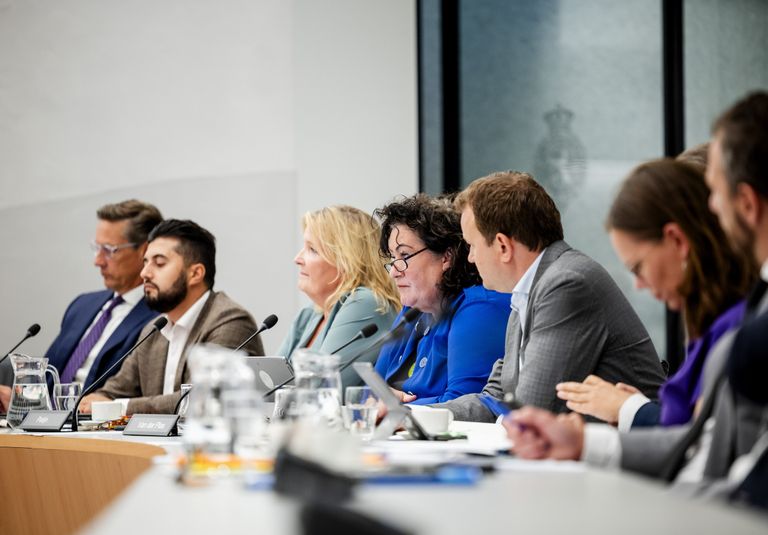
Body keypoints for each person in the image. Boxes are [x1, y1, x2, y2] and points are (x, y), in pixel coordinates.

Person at [506, 91, 768, 503]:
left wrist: (627, 413)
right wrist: (586, 444)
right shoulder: (737, 316)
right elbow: (701, 448)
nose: (640, 287)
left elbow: (720, 466)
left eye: (714, 197)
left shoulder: (743, 325)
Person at [432, 171, 665, 422]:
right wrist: (417, 415)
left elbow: (535, 410)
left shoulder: (566, 283)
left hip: (637, 450)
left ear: (502, 246)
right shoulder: (527, 291)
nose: (470, 258)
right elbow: (496, 398)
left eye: (472, 246)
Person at [556, 159, 755, 430]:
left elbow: (697, 440)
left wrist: (629, 409)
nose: (639, 285)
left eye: (638, 268)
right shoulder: (713, 320)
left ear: (676, 240)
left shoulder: (736, 326)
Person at [81, 219, 264, 414]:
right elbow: (113, 392)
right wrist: (98, 400)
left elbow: (202, 400)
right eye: (145, 262)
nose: (145, 273)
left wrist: (118, 407)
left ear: (195, 274)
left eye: (159, 263)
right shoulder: (154, 330)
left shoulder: (230, 322)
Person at [0, 200, 162, 411]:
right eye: (96, 248)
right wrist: (18, 400)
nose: (98, 261)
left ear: (145, 251)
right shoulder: (83, 305)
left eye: (109, 250)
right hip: (50, 426)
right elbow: (51, 378)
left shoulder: (160, 318)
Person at [373, 194, 511, 404]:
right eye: (393, 258)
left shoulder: (478, 309)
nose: (394, 271)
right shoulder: (413, 310)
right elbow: (374, 392)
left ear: (447, 257)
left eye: (404, 256)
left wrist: (398, 408)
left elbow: (467, 406)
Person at [277, 206, 401, 389]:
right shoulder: (309, 315)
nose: (297, 258)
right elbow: (269, 385)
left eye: (312, 249)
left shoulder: (365, 303)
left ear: (347, 260)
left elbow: (320, 389)